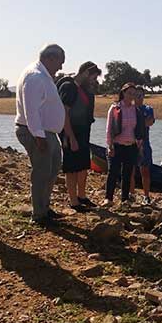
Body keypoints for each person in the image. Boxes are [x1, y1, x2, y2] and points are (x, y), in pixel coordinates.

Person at [15, 44, 66, 225]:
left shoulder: (43, 75)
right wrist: (38, 136)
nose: (61, 67)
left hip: (47, 132)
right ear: (50, 58)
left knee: (52, 170)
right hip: (37, 132)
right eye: (60, 62)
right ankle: (38, 215)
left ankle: (44, 207)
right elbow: (31, 110)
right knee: (42, 172)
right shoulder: (35, 76)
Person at [57, 61, 101, 211]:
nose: (94, 81)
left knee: (83, 165)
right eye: (93, 78)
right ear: (86, 73)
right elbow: (64, 113)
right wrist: (70, 137)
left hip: (83, 133)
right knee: (71, 167)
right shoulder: (69, 87)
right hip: (71, 133)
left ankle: (82, 196)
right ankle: (73, 201)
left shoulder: (84, 90)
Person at [104, 83, 145, 207]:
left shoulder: (136, 110)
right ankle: (108, 198)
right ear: (123, 93)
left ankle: (124, 199)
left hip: (131, 146)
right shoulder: (115, 108)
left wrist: (140, 145)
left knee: (127, 173)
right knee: (113, 172)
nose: (131, 96)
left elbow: (140, 129)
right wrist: (110, 146)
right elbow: (109, 128)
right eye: (129, 93)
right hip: (117, 145)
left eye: (133, 94)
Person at [130, 86, 155, 204]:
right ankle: (131, 194)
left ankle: (146, 196)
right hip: (130, 143)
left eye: (141, 96)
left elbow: (149, 122)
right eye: (136, 96)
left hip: (144, 143)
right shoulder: (128, 109)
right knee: (130, 170)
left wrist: (136, 122)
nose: (139, 98)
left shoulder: (148, 109)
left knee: (145, 170)